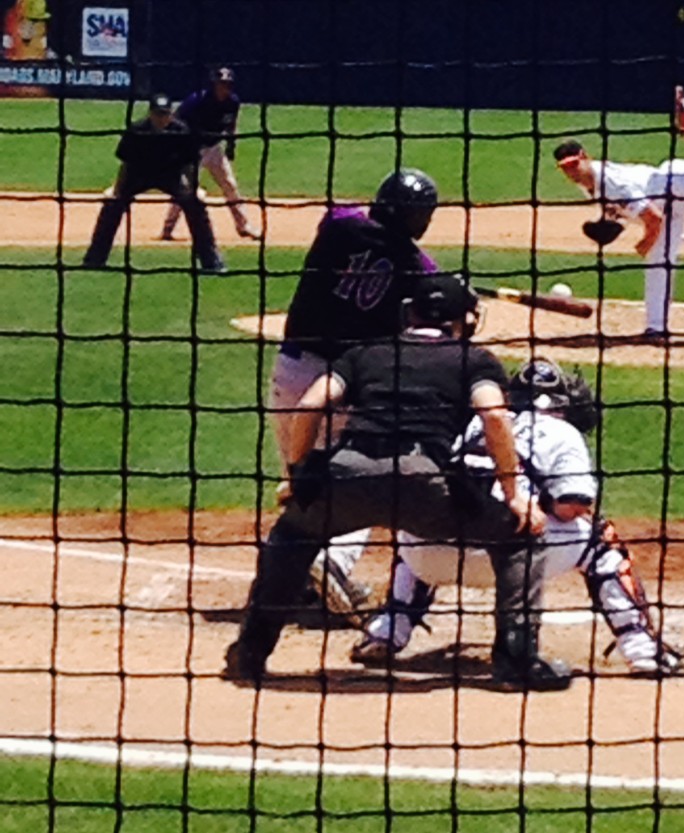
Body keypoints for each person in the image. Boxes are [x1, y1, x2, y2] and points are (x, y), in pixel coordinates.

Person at [224, 274, 572, 691]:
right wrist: (514, 496)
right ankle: (515, 663)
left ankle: (249, 654)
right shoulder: (473, 359)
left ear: (410, 312)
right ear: (465, 319)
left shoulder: (367, 352)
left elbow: (312, 401)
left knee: (291, 538)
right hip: (423, 484)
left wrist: (300, 472)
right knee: (520, 539)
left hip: (347, 476)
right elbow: (495, 416)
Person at [351, 358, 684, 676]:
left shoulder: (470, 424)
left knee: (419, 516)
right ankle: (642, 649)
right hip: (511, 560)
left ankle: (386, 631)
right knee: (600, 539)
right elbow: (573, 504)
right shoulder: (562, 431)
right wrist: (537, 503)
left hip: (428, 557)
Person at [269, 168, 441, 616]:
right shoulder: (418, 269)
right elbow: (430, 298)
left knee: (301, 482)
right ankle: (333, 561)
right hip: (341, 388)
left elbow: (344, 215)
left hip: (289, 375)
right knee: (358, 484)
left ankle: (286, 583)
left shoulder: (339, 224)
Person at [553, 86, 684, 341]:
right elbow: (624, 210)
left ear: (584, 157)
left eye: (574, 164)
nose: (571, 171)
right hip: (668, 204)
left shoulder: (609, 181)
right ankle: (656, 328)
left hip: (674, 185)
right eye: (565, 168)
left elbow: (653, 219)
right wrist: (609, 223)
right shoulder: (588, 184)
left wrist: (644, 241)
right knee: (659, 264)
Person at [83, 93, 225, 273]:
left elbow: (189, 164)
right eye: (158, 114)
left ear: (171, 114)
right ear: (150, 114)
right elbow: (126, 164)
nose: (161, 119)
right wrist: (118, 189)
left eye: (165, 114)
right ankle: (94, 259)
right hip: (139, 175)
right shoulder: (137, 130)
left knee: (194, 204)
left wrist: (193, 189)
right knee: (113, 204)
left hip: (170, 176)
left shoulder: (181, 131)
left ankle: (211, 261)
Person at [160, 67, 259, 241]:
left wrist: (231, 144)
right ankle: (168, 228)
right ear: (214, 84)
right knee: (185, 189)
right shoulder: (197, 100)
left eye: (228, 84)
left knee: (230, 185)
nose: (225, 88)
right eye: (221, 84)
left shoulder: (233, 102)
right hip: (192, 150)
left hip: (214, 149)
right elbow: (175, 118)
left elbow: (231, 124)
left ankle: (243, 226)